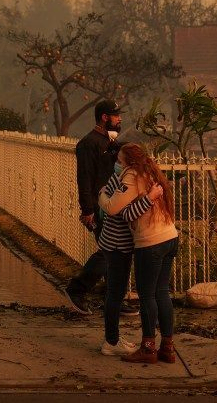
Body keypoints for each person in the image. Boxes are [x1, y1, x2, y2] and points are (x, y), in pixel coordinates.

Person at [100, 143, 178, 364]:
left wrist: (102, 198)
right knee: (162, 292)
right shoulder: (153, 173)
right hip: (170, 237)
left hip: (150, 243)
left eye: (121, 161)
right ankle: (167, 347)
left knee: (147, 296)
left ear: (128, 162)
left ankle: (148, 347)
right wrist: (150, 197)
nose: (118, 164)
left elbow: (119, 211)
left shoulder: (131, 176)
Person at [64, 99, 139, 317]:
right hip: (101, 208)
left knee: (121, 252)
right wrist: (87, 211)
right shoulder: (88, 144)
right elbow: (84, 180)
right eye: (116, 116)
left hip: (117, 205)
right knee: (108, 253)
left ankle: (113, 299)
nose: (120, 119)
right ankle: (76, 290)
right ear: (104, 117)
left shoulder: (112, 143)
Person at [96, 163, 164, 356]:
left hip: (114, 242)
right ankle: (111, 341)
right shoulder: (125, 181)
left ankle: (112, 338)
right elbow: (125, 212)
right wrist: (150, 198)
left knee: (115, 292)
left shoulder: (117, 179)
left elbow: (106, 203)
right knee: (115, 293)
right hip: (118, 245)